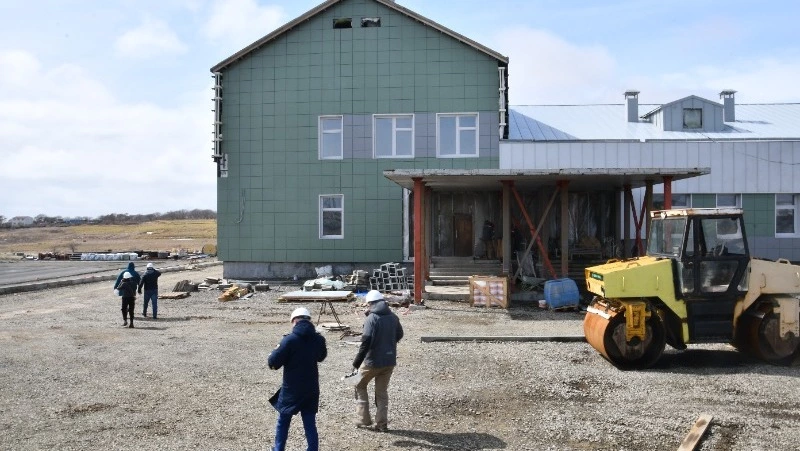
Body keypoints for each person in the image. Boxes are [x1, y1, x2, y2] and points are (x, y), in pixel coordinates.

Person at [267, 307, 327, 451]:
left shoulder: (289, 340)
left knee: (283, 422)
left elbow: (273, 363)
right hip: (311, 388)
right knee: (309, 423)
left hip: (291, 389)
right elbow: (321, 357)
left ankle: (278, 449)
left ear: (294, 321)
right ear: (308, 321)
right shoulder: (319, 339)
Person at [352, 290, 404, 432]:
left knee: (359, 384)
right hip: (389, 360)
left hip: (372, 361)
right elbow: (400, 334)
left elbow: (366, 342)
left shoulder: (372, 318)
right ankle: (382, 424)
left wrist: (357, 362)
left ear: (371, 303)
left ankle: (363, 419)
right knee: (381, 392)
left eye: (367, 304)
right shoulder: (393, 316)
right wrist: (389, 344)